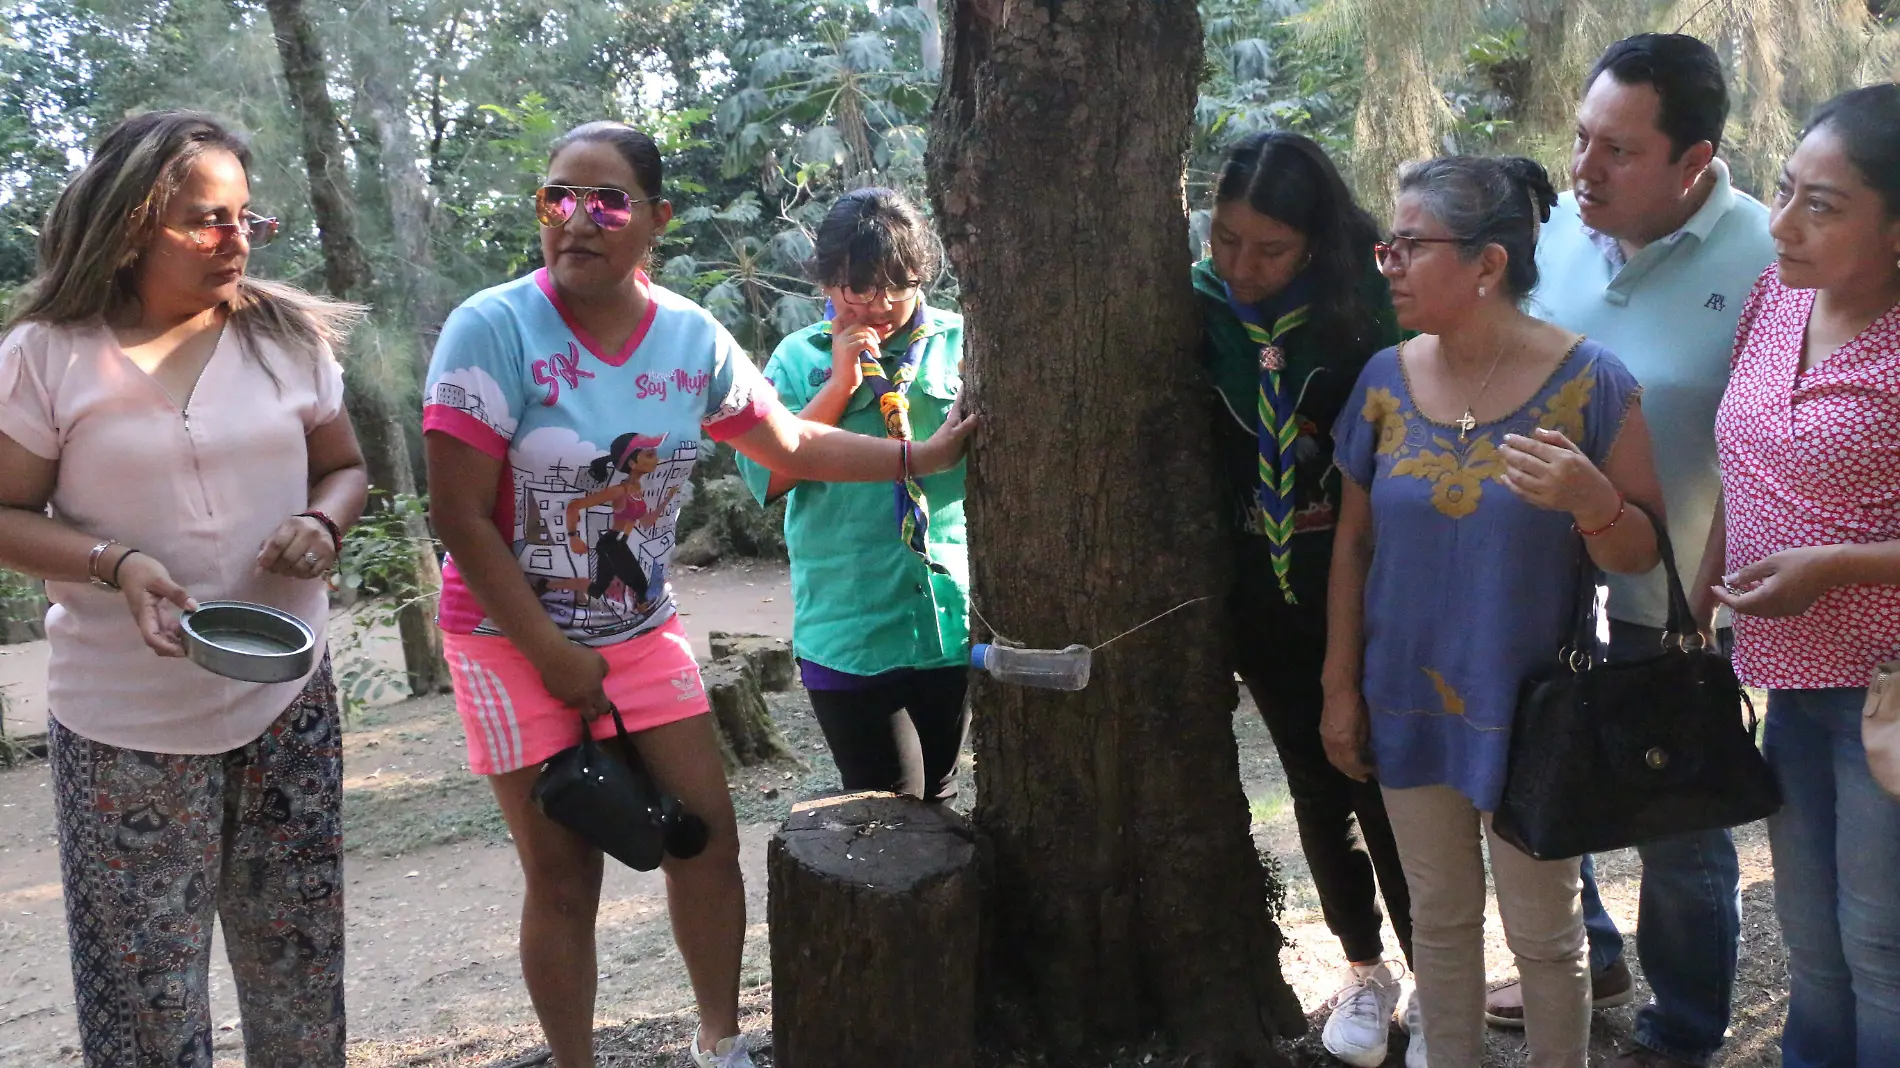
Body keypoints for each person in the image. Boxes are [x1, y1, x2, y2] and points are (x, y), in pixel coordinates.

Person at [422, 122, 974, 1068]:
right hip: (508, 637)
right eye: (559, 197)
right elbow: (460, 516)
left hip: (640, 626)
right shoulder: (492, 327)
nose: (577, 220)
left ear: (655, 220)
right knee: (563, 876)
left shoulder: (688, 337)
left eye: (607, 202)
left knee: (705, 841)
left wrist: (918, 456)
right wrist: (555, 658)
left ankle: (718, 1042)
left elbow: (789, 448)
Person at [0, 111, 367, 1067]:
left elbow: (346, 468)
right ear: (131, 225)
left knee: (300, 980)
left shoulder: (286, 339)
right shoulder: (47, 355)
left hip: (288, 702)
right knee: (146, 1005)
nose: (237, 239)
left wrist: (322, 523)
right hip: (124, 726)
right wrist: (114, 564)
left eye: (247, 218)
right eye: (209, 220)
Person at [1323, 154, 1664, 1068]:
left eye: (1409, 243)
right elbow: (1352, 547)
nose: (1386, 260)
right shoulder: (1383, 382)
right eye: (1386, 244)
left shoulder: (1592, 384)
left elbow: (1640, 553)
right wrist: (1337, 686)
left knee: (1548, 939)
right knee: (1437, 924)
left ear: (1487, 264)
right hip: (1405, 697)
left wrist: (1595, 502)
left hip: (1534, 708)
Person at [1508, 33, 1777, 1068]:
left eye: (1617, 150)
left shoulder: (1766, 258)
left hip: (1679, 602)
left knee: (1679, 829)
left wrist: (1715, 596)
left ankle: (1681, 1033)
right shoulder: (1563, 236)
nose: (1583, 170)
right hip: (1546, 585)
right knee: (1546, 776)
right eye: (1580, 139)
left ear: (1692, 162)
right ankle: (1595, 956)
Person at [1192, 131, 1416, 1067]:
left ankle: (1441, 975)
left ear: (1315, 242)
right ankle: (1365, 975)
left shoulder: (1371, 309)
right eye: (1226, 238)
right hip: (1262, 601)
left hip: (1374, 591)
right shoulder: (1197, 310)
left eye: (1269, 248)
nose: (1242, 266)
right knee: (1316, 785)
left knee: (1394, 792)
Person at [1708, 83, 1900, 1068]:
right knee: (1812, 943)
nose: (1780, 223)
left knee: (1880, 946)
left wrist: (1832, 567)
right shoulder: (1773, 297)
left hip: (1889, 693)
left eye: (1821, 206)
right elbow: (1733, 460)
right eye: (1783, 190)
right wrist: (1703, 601)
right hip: (1787, 676)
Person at [735, 188, 970, 802]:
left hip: (947, 621)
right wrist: (840, 383)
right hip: (848, 630)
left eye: (900, 283)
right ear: (827, 280)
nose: (881, 303)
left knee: (940, 798)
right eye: (859, 286)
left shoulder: (962, 343)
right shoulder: (797, 356)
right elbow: (766, 475)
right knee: (882, 808)